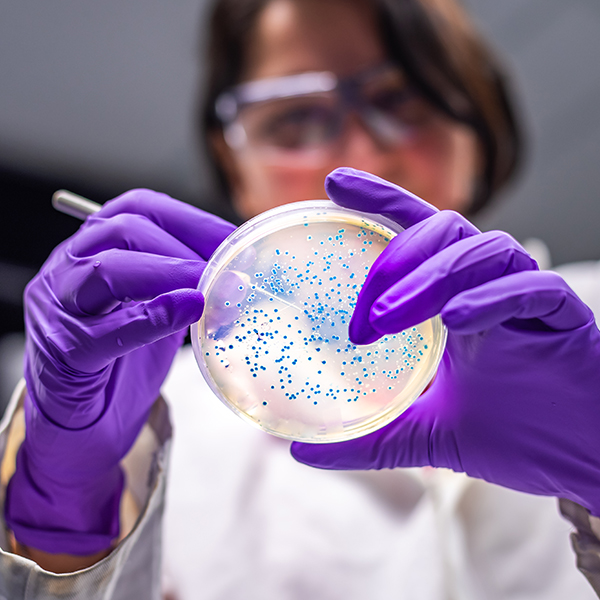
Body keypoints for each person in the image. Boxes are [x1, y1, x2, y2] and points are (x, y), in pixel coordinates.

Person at [0, 0, 599, 598]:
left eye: (403, 101)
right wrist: (68, 502)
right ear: (234, 163)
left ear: (482, 130)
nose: (360, 154)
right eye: (294, 120)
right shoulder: (170, 414)